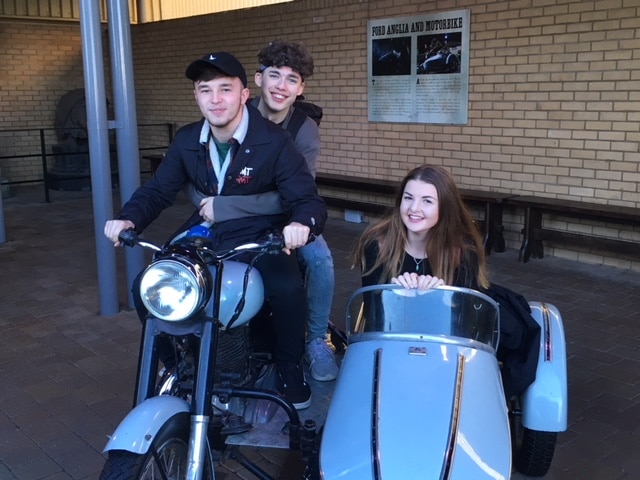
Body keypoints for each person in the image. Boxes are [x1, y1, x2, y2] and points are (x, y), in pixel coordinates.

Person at [104, 51, 327, 410]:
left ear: (243, 94)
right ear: (196, 96)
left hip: (258, 232)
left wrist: (301, 224)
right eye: (205, 90)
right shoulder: (187, 139)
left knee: (287, 288)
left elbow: (306, 198)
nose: (215, 99)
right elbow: (158, 190)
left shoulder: (274, 140)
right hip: (207, 230)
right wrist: (130, 218)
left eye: (225, 89)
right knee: (145, 287)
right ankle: (181, 366)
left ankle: (288, 366)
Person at [184, 40, 339, 382]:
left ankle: (314, 340)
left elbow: (296, 196)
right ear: (257, 80)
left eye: (291, 79)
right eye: (274, 75)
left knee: (319, 259)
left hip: (286, 217)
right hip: (233, 218)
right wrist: (211, 205)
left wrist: (226, 205)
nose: (281, 86)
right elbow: (204, 177)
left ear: (301, 88)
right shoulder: (235, 110)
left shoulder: (303, 130)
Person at [351, 165, 541, 399]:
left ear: (444, 207)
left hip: (450, 335)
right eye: (408, 198)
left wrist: (442, 297)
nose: (414, 209)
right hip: (399, 334)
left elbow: (468, 323)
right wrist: (397, 295)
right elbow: (374, 313)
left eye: (427, 201)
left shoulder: (462, 249)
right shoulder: (377, 245)